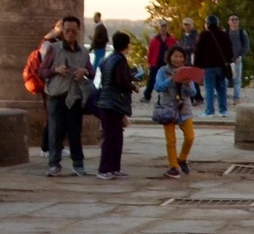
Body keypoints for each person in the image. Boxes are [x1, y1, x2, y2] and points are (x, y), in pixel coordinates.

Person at [39, 16, 92, 178]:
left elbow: (92, 71)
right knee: (55, 131)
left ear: (78, 31)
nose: (70, 34)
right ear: (62, 31)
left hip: (75, 96)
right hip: (56, 95)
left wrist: (85, 72)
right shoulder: (53, 49)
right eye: (67, 31)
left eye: (73, 31)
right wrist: (56, 70)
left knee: (75, 131)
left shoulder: (83, 51)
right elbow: (42, 71)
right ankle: (54, 164)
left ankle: (78, 164)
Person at [93, 31, 138, 179]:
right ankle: (105, 169)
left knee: (116, 137)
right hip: (112, 103)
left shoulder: (108, 59)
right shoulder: (120, 60)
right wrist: (133, 86)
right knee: (112, 137)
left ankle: (113, 168)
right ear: (127, 45)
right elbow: (121, 81)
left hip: (106, 102)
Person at [152, 43, 198, 176]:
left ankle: (182, 158)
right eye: (175, 56)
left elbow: (193, 93)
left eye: (180, 57)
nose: (178, 59)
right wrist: (171, 79)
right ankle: (173, 166)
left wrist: (187, 84)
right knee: (171, 140)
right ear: (170, 57)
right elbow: (158, 87)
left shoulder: (187, 71)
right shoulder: (162, 71)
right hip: (168, 107)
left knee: (190, 137)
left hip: (184, 108)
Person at [196, 16, 234, 117]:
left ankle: (209, 111)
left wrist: (197, 66)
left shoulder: (204, 35)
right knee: (222, 88)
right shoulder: (224, 34)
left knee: (209, 89)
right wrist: (228, 61)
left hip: (208, 67)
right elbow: (230, 50)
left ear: (207, 24)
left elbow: (198, 51)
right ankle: (223, 110)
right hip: (222, 66)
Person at [144, 22, 169, 102]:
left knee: (166, 80)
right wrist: (149, 62)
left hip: (166, 63)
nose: (163, 29)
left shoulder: (171, 39)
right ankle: (147, 96)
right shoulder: (154, 39)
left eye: (165, 27)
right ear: (159, 28)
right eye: (162, 27)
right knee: (151, 80)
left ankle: (162, 97)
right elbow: (150, 52)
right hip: (155, 62)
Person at [228, 18, 250, 103]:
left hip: (237, 60)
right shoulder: (225, 32)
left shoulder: (242, 33)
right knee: (224, 80)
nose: (234, 21)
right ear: (228, 21)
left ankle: (236, 98)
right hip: (226, 60)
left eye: (236, 19)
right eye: (232, 19)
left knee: (237, 80)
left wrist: (240, 56)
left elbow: (246, 46)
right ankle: (221, 98)